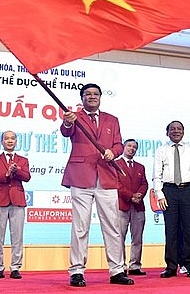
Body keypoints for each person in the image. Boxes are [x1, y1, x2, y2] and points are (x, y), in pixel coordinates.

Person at [60, 83, 133, 287]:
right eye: (87, 94)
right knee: (80, 226)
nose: (92, 97)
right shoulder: (74, 116)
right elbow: (66, 132)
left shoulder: (112, 119)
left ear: (100, 97)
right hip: (81, 176)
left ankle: (117, 270)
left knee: (112, 225)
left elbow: (119, 144)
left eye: (95, 94)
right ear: (82, 98)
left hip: (107, 176)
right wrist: (67, 123)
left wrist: (114, 152)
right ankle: (76, 271)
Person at [153, 121, 190, 278]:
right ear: (167, 132)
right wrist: (159, 194)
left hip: (189, 190)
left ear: (183, 132)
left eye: (179, 129)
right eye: (172, 129)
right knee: (171, 230)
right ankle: (171, 266)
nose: (176, 131)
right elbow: (157, 174)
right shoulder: (161, 150)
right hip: (169, 191)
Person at [0, 131, 31, 279]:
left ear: (16, 141)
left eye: (13, 138)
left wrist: (16, 171)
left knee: (17, 236)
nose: (10, 141)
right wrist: (6, 174)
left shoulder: (22, 160)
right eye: (7, 138)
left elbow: (27, 177)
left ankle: (15, 267)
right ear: (2, 142)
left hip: (17, 200)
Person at [116, 139, 148, 276]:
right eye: (129, 146)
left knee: (137, 238)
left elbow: (144, 184)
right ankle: (120, 267)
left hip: (138, 206)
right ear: (123, 147)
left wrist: (139, 195)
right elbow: (116, 184)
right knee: (119, 237)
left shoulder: (140, 167)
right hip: (122, 205)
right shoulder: (116, 164)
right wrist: (130, 196)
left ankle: (135, 266)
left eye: (135, 147)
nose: (132, 149)